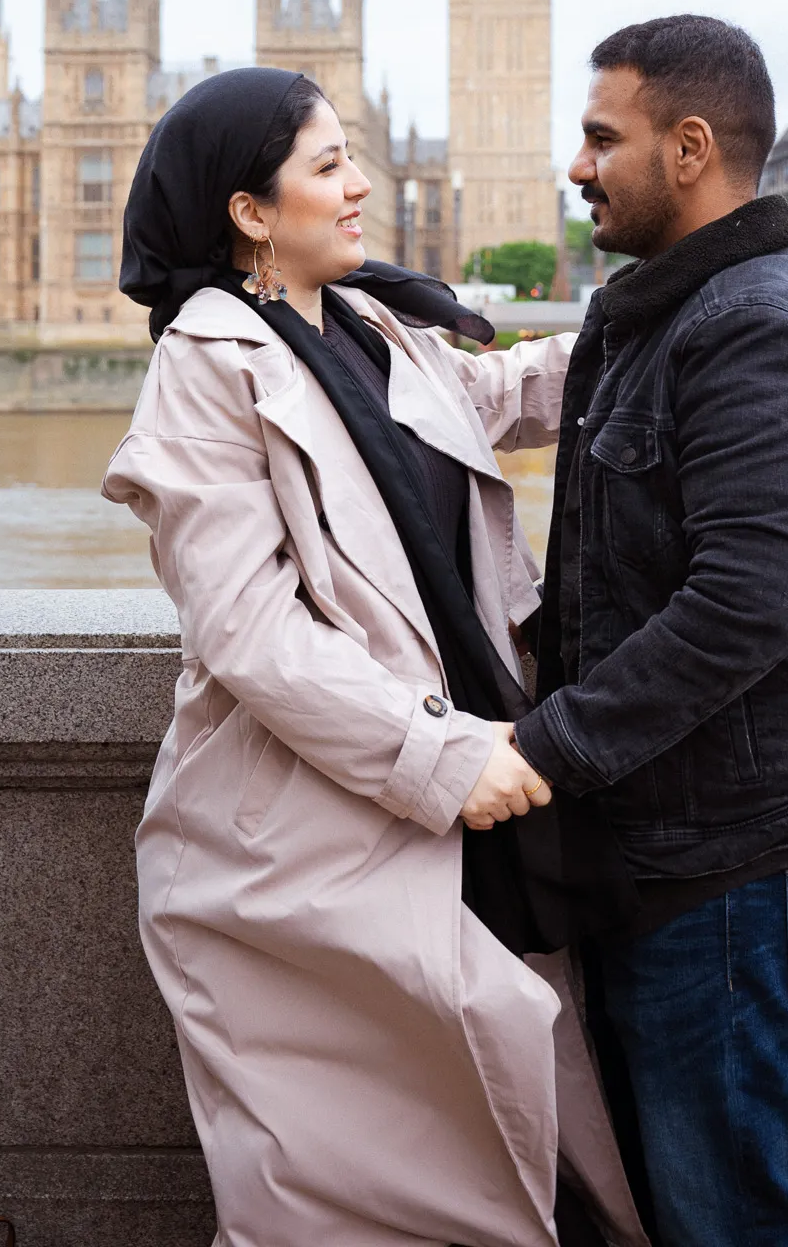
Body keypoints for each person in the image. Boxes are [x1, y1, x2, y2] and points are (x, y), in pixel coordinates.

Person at [102, 65, 649, 1247]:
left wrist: (665, 300)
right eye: (329, 163)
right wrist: (435, 754)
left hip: (459, 804)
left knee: (522, 1141)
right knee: (345, 1192)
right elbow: (246, 627)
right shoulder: (207, 361)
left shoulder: (363, 320)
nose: (362, 185)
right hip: (310, 838)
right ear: (250, 212)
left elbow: (499, 389)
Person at [511, 15, 788, 1247]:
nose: (576, 166)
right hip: (686, 858)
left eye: (601, 137)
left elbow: (750, 601)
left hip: (750, 869)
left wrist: (542, 749)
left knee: (736, 1225)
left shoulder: (751, 324)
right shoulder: (664, 316)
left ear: (689, 147)